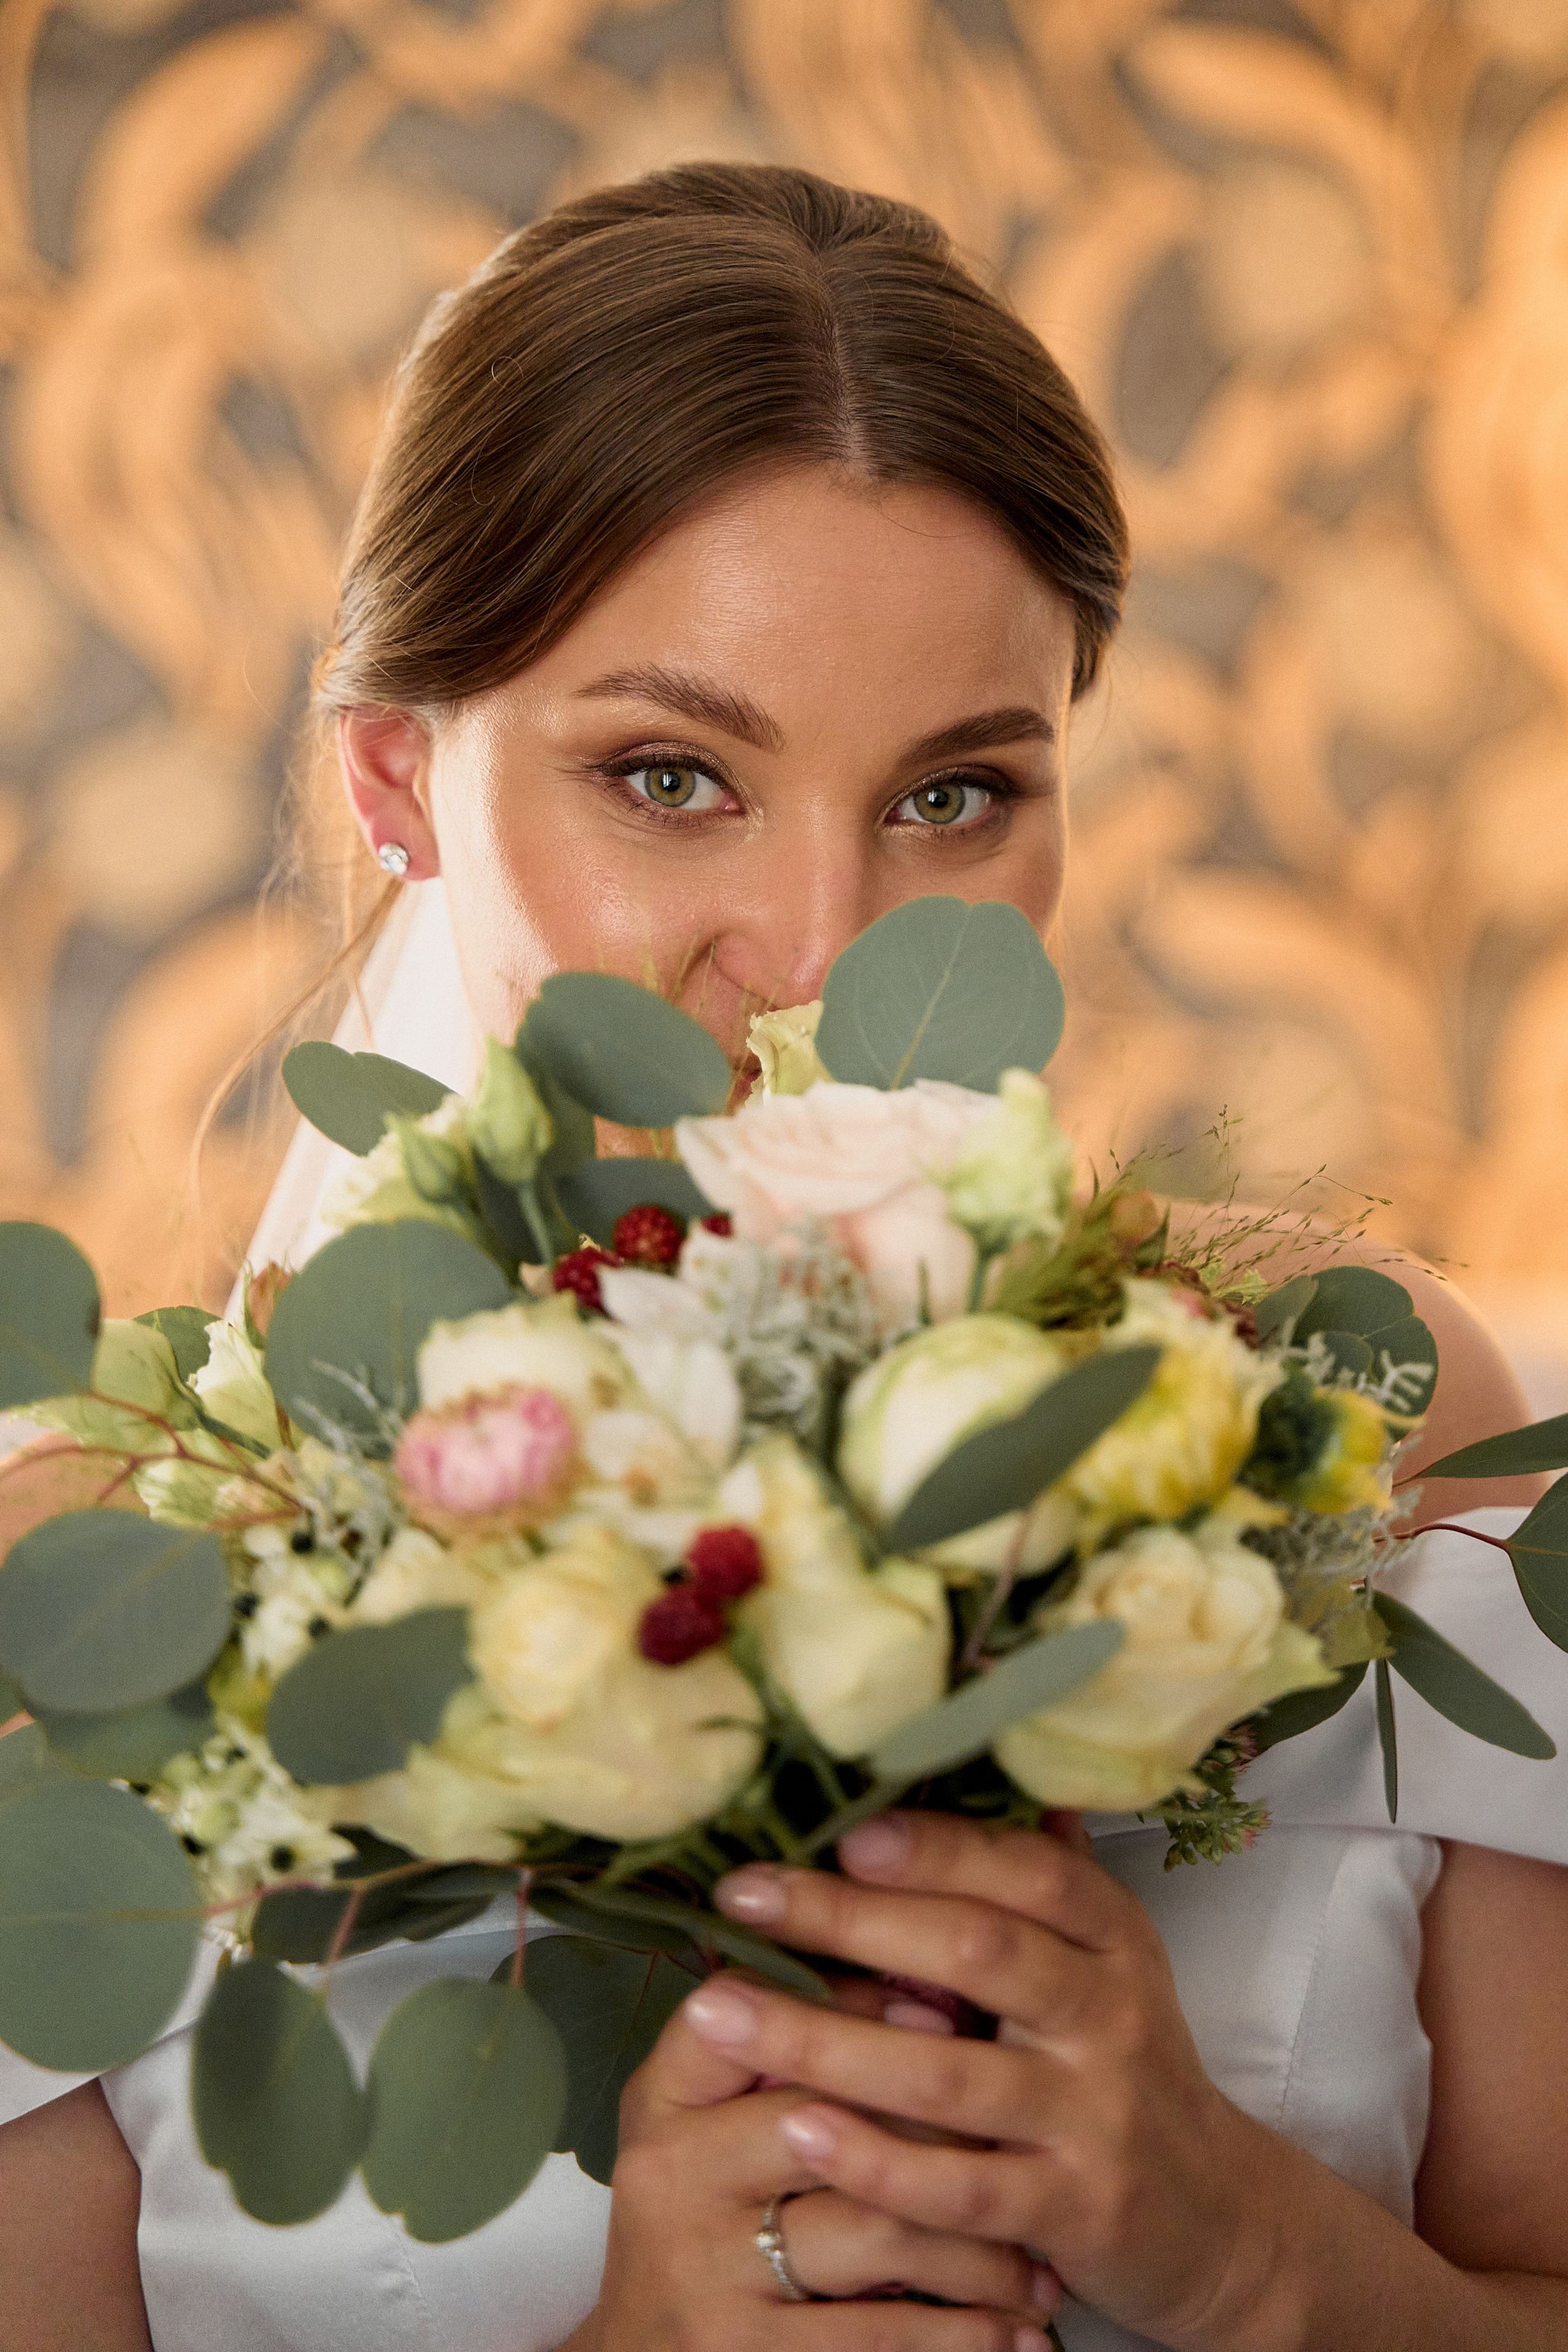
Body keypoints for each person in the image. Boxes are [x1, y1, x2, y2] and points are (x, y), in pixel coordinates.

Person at [1, 163, 1565, 2352]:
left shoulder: (1361, 1411)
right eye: (669, 774)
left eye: (953, 796)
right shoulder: (82, 1600)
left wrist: (1246, 2248)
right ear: (395, 785)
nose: (829, 953)